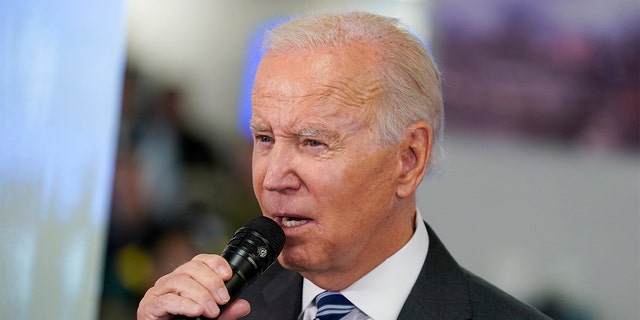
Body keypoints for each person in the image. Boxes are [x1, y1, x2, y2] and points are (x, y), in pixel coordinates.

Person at [137, 11, 551, 320]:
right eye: (264, 138)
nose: (273, 178)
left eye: (313, 142)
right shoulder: (223, 311)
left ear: (408, 159)